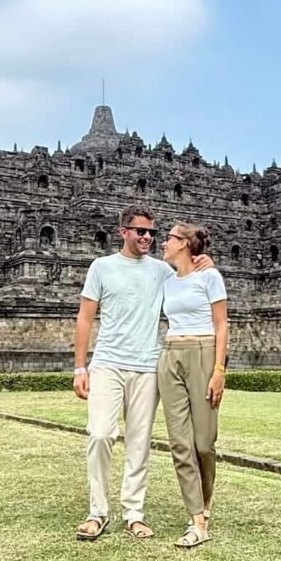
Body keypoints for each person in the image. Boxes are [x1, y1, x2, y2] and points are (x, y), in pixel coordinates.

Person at [73, 205, 212, 541]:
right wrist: (80, 366)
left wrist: (204, 263)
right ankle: (97, 512)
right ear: (124, 232)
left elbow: (190, 282)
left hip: (148, 366)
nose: (148, 237)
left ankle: (133, 514)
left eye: (152, 232)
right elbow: (85, 317)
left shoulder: (162, 271)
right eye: (140, 231)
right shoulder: (101, 267)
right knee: (100, 434)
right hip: (107, 362)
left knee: (139, 443)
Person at [158, 223, 228, 548]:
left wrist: (219, 370)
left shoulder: (210, 277)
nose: (163, 242)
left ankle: (206, 501)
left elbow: (221, 324)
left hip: (203, 352)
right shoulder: (166, 280)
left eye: (169, 238)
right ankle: (197, 519)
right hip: (170, 353)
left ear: (185, 243)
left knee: (203, 443)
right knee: (179, 443)